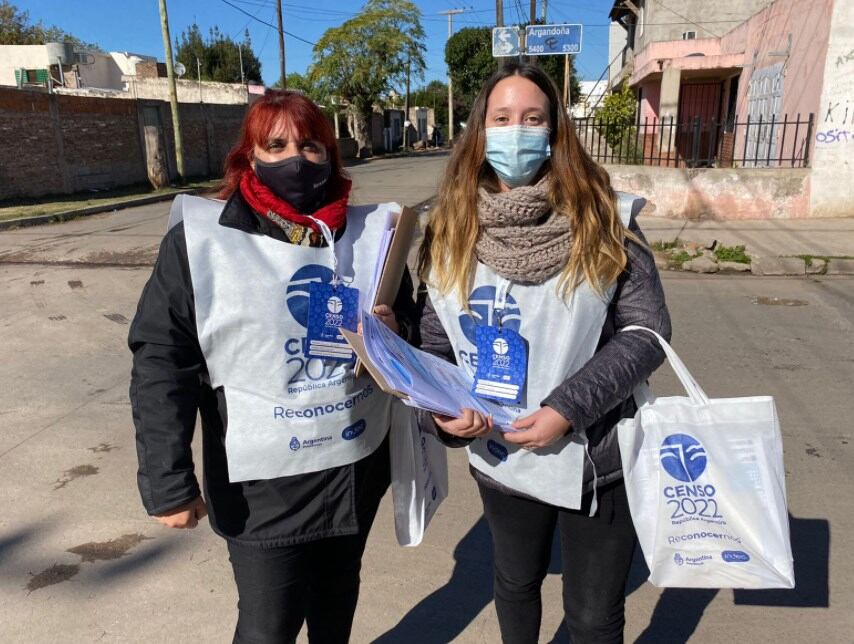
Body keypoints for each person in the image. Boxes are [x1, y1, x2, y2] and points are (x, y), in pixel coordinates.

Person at [129, 89, 415, 644]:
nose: (296, 158)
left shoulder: (369, 235)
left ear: (331, 154)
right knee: (268, 627)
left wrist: (394, 329)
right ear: (249, 156)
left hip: (352, 468)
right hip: (262, 489)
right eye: (276, 144)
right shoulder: (203, 240)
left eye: (310, 145)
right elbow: (163, 358)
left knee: (337, 609)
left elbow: (407, 315)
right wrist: (167, 480)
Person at [416, 63, 671, 644]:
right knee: (515, 584)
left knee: (593, 617)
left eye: (533, 118)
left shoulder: (605, 217)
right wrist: (447, 413)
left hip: (597, 456)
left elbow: (646, 331)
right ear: (479, 131)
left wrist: (567, 408)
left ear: (556, 130)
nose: (516, 132)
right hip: (500, 455)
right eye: (501, 119)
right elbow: (436, 343)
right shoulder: (450, 227)